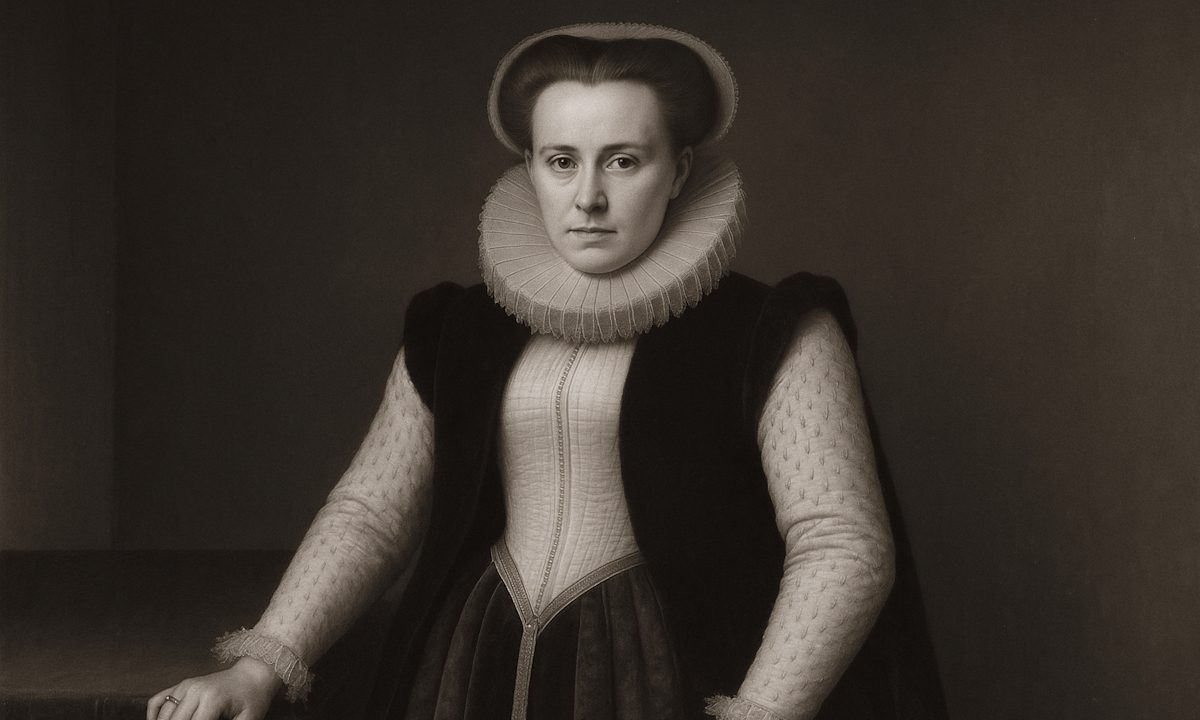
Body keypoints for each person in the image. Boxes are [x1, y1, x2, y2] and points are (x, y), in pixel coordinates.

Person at [147, 23, 946, 720]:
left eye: (623, 161)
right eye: (562, 161)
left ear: (679, 170)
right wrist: (259, 665)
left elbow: (843, 545)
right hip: (471, 660)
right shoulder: (459, 328)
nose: (588, 196)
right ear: (529, 167)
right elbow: (372, 513)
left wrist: (762, 713)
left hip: (662, 674)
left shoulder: (771, 330)